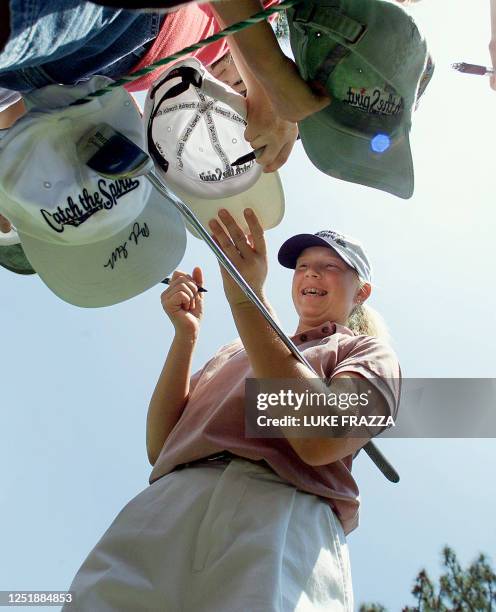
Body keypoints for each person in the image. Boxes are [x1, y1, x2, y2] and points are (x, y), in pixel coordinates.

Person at [62, 208, 400, 611]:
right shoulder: (237, 350)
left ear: (361, 292)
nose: (311, 273)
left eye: (329, 266)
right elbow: (162, 447)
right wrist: (186, 335)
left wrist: (246, 296)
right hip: (172, 501)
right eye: (303, 266)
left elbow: (319, 435)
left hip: (281, 507)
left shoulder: (368, 353)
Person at [0, 0, 329, 237]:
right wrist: (267, 79)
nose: (234, 87)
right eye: (241, 84)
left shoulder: (174, 76)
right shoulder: (257, 20)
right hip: (130, 19)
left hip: (63, 69)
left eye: (235, 91)